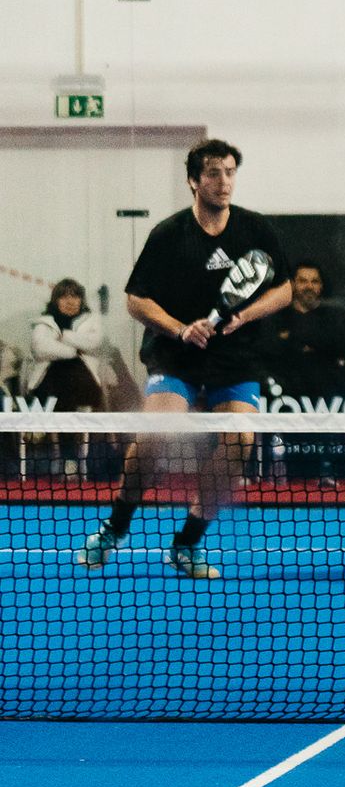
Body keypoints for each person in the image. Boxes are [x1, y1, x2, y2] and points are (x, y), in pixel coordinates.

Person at [75, 139, 290, 579]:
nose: (224, 181)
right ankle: (115, 527)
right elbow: (136, 300)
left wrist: (243, 316)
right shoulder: (169, 235)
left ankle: (187, 543)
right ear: (193, 180)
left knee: (239, 443)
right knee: (157, 434)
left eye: (230, 172)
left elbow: (282, 289)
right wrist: (179, 328)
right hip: (175, 356)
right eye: (213, 173)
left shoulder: (255, 229)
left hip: (235, 358)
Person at [265, 262, 345, 479]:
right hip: (287, 389)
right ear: (293, 285)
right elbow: (268, 347)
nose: (309, 286)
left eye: (314, 281)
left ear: (321, 286)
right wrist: (313, 342)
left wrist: (292, 338)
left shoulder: (333, 317)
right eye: (303, 281)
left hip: (326, 389)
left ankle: (330, 470)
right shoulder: (277, 315)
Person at [25, 279, 109, 475]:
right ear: (56, 300)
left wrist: (64, 336)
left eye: (75, 296)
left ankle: (67, 458)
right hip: (50, 382)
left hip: (84, 383)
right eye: (64, 296)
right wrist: (73, 351)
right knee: (63, 379)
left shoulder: (92, 320)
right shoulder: (44, 322)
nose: (70, 300)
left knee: (70, 380)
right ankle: (68, 458)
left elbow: (94, 343)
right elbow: (40, 348)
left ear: (81, 300)